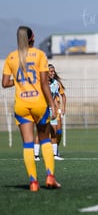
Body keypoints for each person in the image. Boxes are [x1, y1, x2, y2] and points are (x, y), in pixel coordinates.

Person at [2, 26, 61, 191]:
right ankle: (50, 176)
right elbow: (43, 83)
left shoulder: (11, 57)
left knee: (28, 143)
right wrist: (52, 103)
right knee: (45, 140)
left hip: (21, 105)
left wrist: (20, 82)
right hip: (38, 103)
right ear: (32, 38)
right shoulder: (39, 55)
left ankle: (33, 182)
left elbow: (5, 83)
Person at [34, 64, 66, 161]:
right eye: (51, 71)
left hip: (51, 110)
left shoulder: (55, 83)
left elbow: (56, 97)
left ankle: (55, 154)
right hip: (42, 109)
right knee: (41, 131)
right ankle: (35, 155)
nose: (53, 73)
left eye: (53, 71)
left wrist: (58, 108)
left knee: (54, 131)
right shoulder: (40, 83)